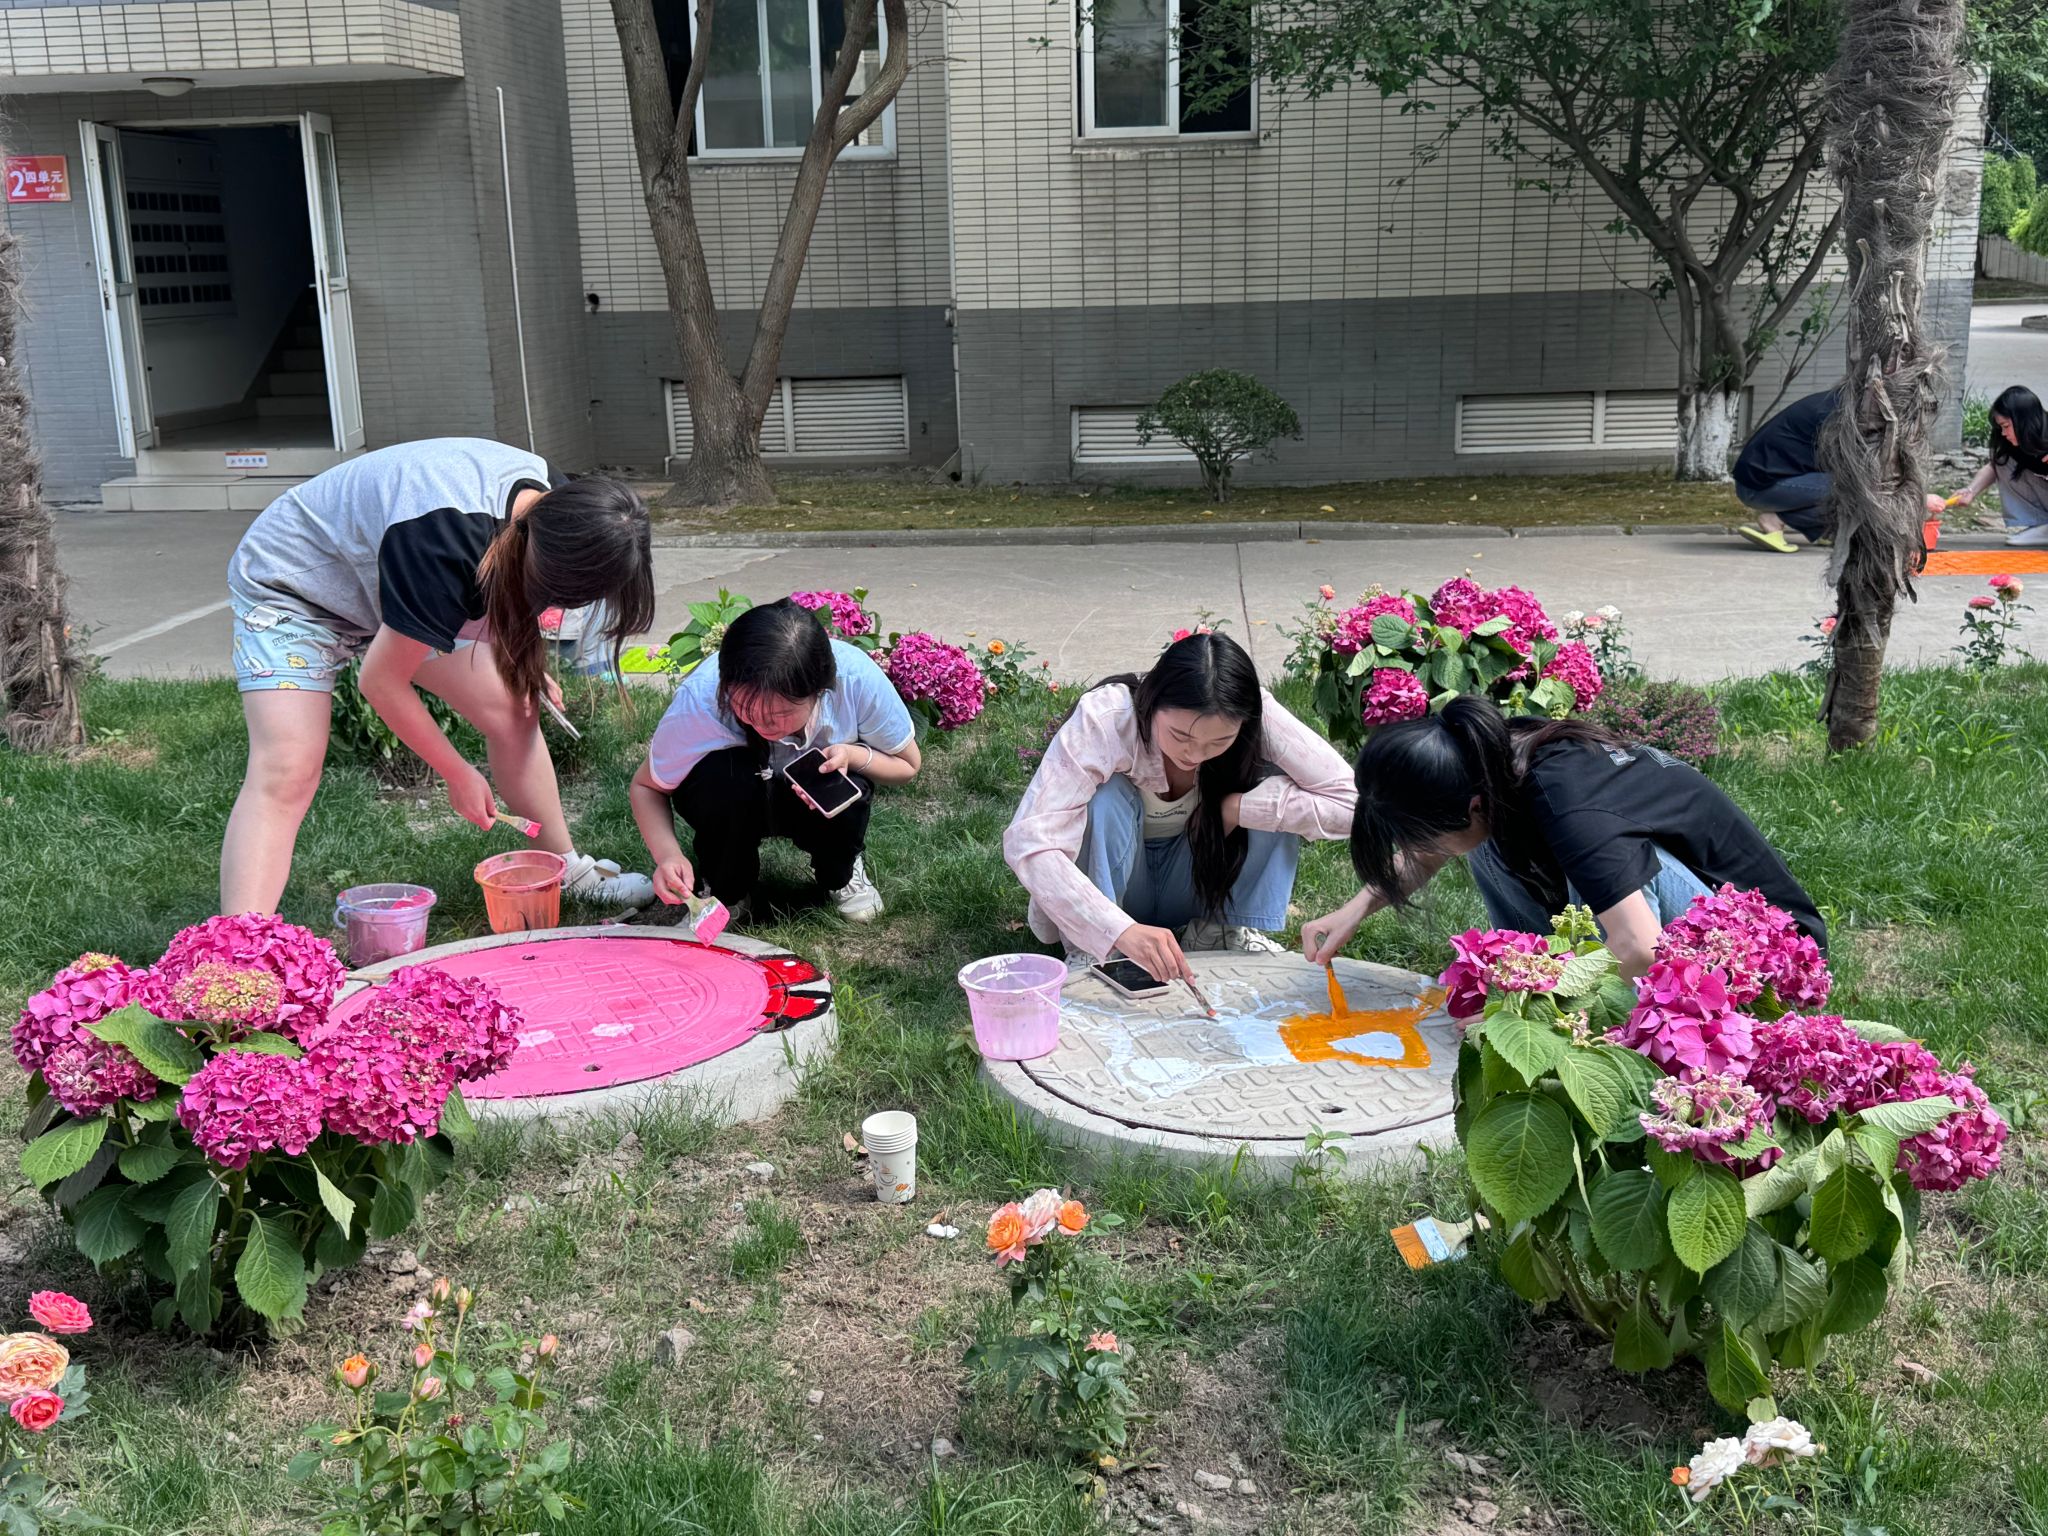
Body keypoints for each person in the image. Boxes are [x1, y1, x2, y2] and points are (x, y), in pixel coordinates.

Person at [222, 437, 658, 916]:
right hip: (295, 585)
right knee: (287, 768)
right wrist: (457, 773)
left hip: (390, 582)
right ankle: (239, 942)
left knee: (516, 708)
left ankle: (563, 871)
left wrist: (524, 665)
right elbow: (381, 681)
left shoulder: (565, 507)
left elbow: (511, 592)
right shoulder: (442, 546)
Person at [1301, 696, 1823, 979]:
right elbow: (1447, 838)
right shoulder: (1484, 759)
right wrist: (1356, 909)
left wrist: (1538, 1000)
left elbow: (1640, 948)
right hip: (1674, 919)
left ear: (1471, 805)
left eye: (1425, 839)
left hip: (1771, 953)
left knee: (1588, 876)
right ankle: (1537, 972)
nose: (1420, 853)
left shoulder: (1569, 806)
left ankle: (1557, 992)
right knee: (1487, 843)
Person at [1004, 631, 1355, 984]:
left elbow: (1351, 803)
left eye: (1220, 741)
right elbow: (1031, 841)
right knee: (1105, 795)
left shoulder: (1257, 715)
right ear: (1152, 700)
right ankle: (1093, 949)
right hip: (1115, 884)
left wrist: (1240, 809)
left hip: (1199, 875)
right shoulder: (1106, 717)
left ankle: (1220, 932)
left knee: (1274, 780)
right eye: (1180, 735)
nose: (1195, 754)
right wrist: (1115, 928)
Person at [628, 599, 920, 922]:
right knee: (721, 776)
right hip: (737, 796)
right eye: (744, 707)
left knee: (848, 781)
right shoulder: (700, 699)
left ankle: (842, 872)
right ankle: (726, 889)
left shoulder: (856, 679)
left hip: (816, 803)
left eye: (780, 713)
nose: (762, 723)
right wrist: (667, 855)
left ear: (820, 691)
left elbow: (908, 765)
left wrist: (852, 755)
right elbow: (647, 787)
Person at [1733, 387, 1945, 553]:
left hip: (1767, 480)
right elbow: (1863, 479)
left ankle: (1825, 530)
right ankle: (1777, 520)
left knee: (1853, 489)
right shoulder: (1839, 419)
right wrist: (1918, 499)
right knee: (1854, 491)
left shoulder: (1844, 404)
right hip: (1760, 487)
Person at [1943, 385, 2048, 547]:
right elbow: (1994, 466)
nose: (2004, 433)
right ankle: (2043, 527)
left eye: (2006, 426)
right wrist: (1971, 491)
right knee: (2002, 462)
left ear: (2024, 421)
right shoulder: (2011, 444)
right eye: (2001, 427)